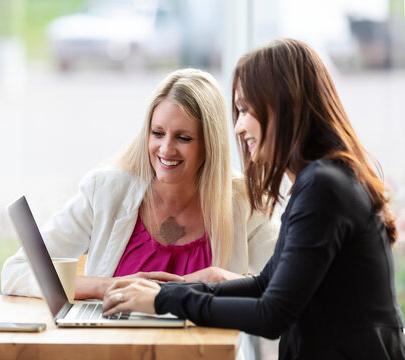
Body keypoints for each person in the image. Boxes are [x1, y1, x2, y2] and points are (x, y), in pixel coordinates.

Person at [102, 39, 405, 360]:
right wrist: (165, 291)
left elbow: (272, 314)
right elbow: (265, 283)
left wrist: (163, 302)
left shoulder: (323, 187)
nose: (238, 126)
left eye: (246, 110)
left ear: (284, 107)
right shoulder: (325, 179)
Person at [1, 68, 277, 301]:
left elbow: (292, 285)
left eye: (183, 138)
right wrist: (105, 286)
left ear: (209, 144)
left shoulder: (242, 201)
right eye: (157, 133)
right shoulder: (107, 191)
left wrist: (222, 280)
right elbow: (17, 271)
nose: (166, 149)